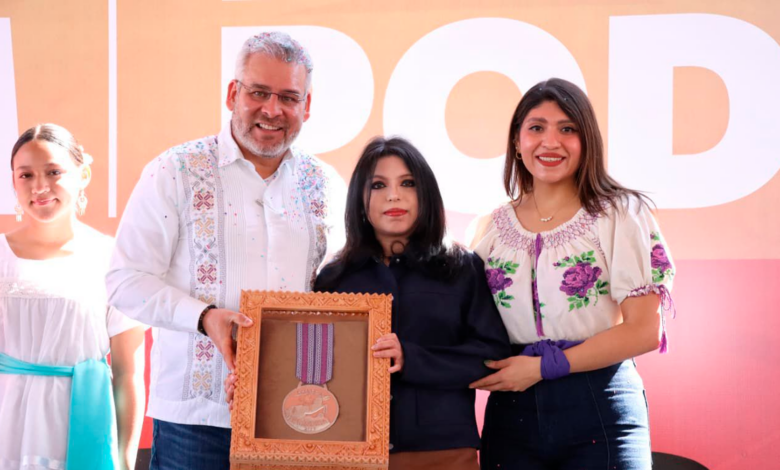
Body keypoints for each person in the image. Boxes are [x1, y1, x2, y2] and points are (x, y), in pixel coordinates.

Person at [106, 31, 345, 469]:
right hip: (196, 419)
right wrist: (203, 317)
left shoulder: (325, 184)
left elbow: (339, 296)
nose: (272, 110)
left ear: (306, 106)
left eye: (288, 97)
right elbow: (125, 281)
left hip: (297, 414)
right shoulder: (174, 171)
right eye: (259, 92)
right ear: (234, 93)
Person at [470, 78, 676, 470]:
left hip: (600, 403)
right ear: (517, 141)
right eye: (536, 128)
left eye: (567, 129)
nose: (551, 142)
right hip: (512, 414)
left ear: (587, 141)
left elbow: (644, 331)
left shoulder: (620, 214)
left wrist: (543, 367)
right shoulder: (490, 229)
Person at [313, 137, 511, 470]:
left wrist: (411, 358)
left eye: (408, 183)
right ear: (359, 199)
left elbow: (492, 356)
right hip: (351, 451)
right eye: (378, 185)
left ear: (426, 194)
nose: (394, 195)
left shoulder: (462, 267)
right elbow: (312, 364)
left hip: (443, 452)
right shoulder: (334, 278)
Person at [0, 124, 145, 470]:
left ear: (83, 175)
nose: (39, 186)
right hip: (7, 422)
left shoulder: (114, 259)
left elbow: (127, 373)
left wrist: (125, 460)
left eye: (54, 172)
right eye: (26, 175)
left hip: (81, 422)